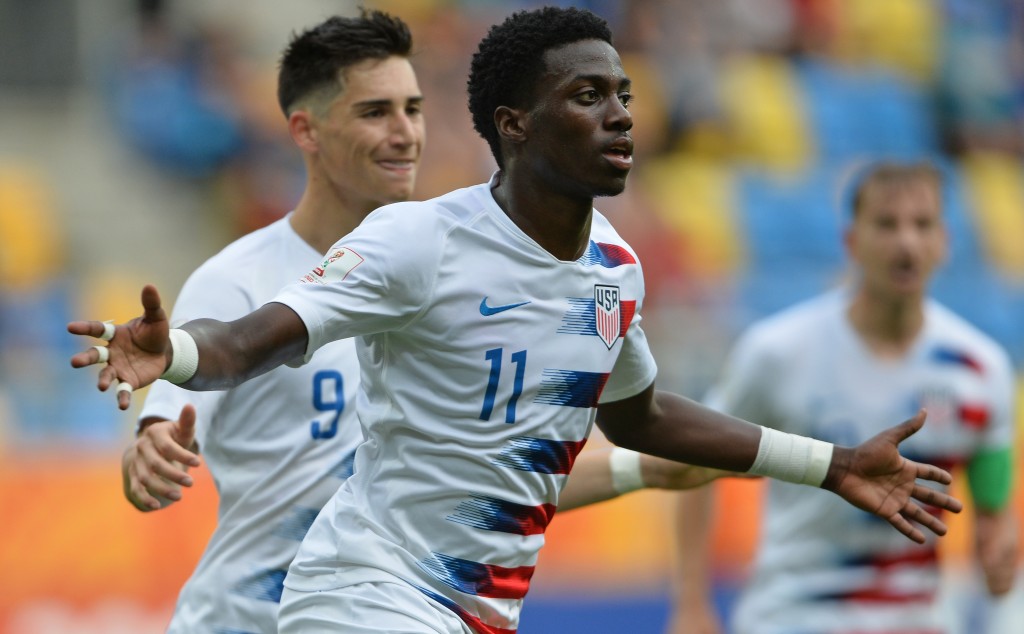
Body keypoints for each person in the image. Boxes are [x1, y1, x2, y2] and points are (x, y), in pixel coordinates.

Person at [71, 7, 961, 634]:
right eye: (586, 97)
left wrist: (831, 464)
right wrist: (177, 352)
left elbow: (640, 415)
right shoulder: (417, 243)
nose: (617, 114)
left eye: (623, 94)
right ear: (515, 124)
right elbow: (248, 340)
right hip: (359, 598)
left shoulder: (613, 270)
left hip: (472, 610)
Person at [119, 10, 727, 634]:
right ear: (306, 131)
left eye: (414, 109)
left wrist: (644, 467)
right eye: (375, 112)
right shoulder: (239, 281)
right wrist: (150, 452)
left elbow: (481, 490)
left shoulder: (443, 276)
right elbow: (166, 412)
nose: (406, 133)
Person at [667, 162, 1018, 634]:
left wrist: (998, 555)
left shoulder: (982, 369)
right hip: (793, 618)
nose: (906, 242)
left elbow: (994, 519)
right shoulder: (778, 352)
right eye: (887, 224)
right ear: (851, 240)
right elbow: (693, 462)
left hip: (917, 622)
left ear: (945, 242)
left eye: (922, 224)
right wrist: (691, 603)